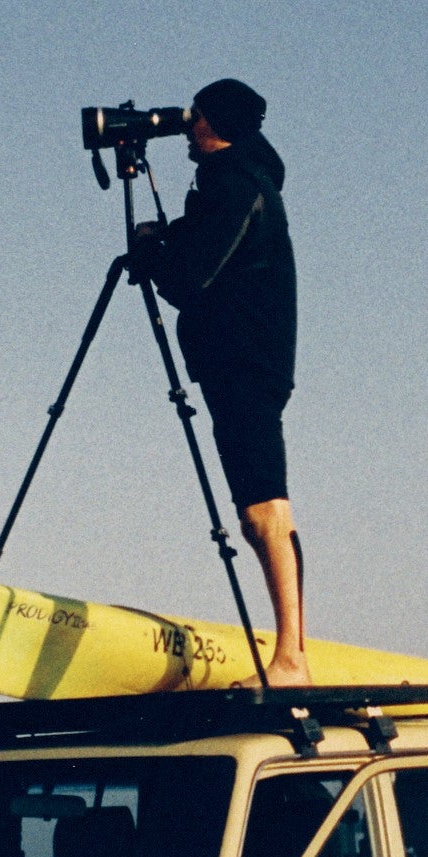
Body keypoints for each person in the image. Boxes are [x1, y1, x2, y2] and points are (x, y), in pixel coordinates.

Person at [134, 77, 309, 686]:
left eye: (197, 114)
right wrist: (169, 242)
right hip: (246, 358)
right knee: (260, 505)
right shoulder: (241, 182)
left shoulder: (236, 186)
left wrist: (153, 255)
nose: (187, 123)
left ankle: (291, 658)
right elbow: (213, 255)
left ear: (215, 124)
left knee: (264, 507)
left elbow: (189, 279)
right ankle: (292, 652)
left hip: (244, 361)